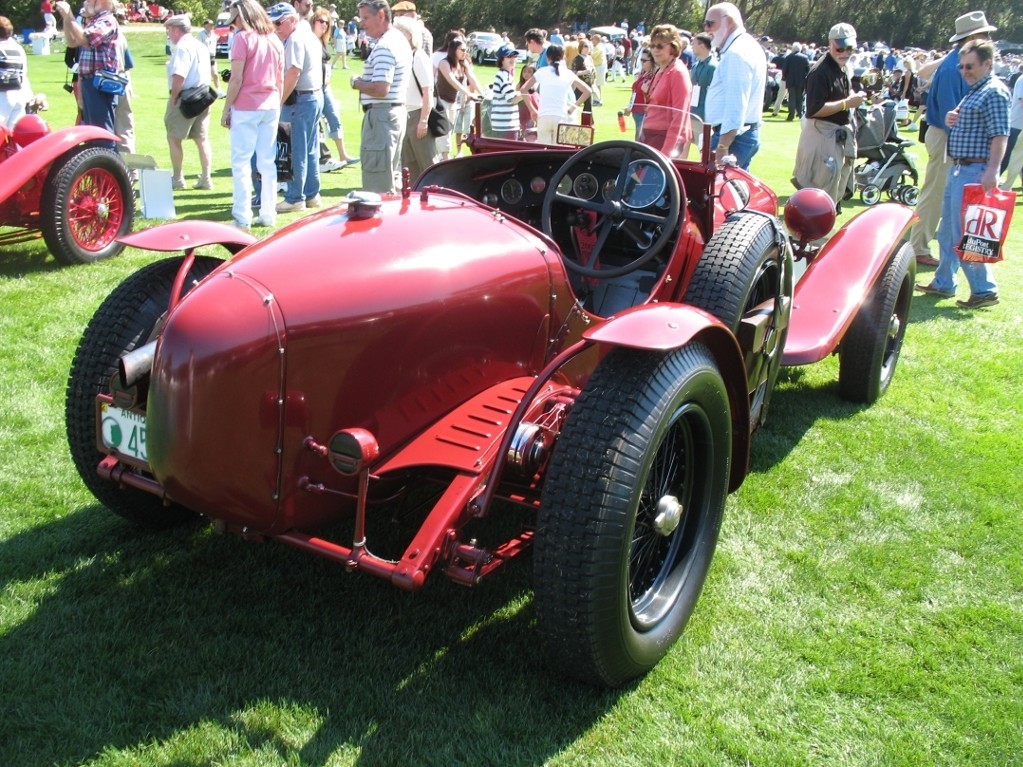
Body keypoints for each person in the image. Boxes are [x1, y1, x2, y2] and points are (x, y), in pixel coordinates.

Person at [917, 39, 1009, 309]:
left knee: (967, 233)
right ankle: (944, 281)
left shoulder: (994, 92)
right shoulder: (975, 90)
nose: (964, 71)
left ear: (987, 64)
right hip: (960, 168)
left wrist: (992, 170)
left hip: (975, 170)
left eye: (970, 66)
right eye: (961, 66)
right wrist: (951, 119)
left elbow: (999, 134)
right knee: (947, 231)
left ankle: (984, 289)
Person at [910, 11, 996, 267]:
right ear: (972, 37)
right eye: (984, 34)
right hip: (947, 137)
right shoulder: (952, 68)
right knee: (936, 194)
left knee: (942, 194)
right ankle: (919, 246)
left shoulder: (954, 62)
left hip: (948, 136)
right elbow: (952, 115)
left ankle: (923, 244)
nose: (989, 39)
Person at [220, 0, 284, 229]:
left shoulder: (242, 39)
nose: (234, 24)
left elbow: (236, 79)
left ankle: (242, 215)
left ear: (242, 17)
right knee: (267, 162)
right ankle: (268, 213)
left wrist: (227, 108)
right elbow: (280, 78)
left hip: (247, 106)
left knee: (241, 162)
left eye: (235, 19)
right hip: (270, 105)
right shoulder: (274, 40)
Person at [791, 23, 867, 206]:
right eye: (840, 48)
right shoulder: (820, 71)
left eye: (850, 48)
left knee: (833, 194)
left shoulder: (841, 68)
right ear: (830, 43)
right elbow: (814, 110)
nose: (845, 52)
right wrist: (846, 103)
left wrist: (853, 99)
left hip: (835, 137)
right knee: (819, 197)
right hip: (822, 137)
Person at [351, 0, 411, 194]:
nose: (362, 23)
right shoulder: (399, 40)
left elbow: (381, 88)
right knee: (391, 177)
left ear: (382, 16)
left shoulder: (385, 46)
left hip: (381, 117)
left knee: (377, 185)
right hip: (392, 114)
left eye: (366, 18)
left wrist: (357, 83)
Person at [270, 2, 323, 213]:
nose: (275, 27)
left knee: (294, 150)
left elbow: (293, 72)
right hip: (313, 96)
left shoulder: (294, 39)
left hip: (299, 99)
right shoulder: (308, 33)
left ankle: (295, 198)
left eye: (278, 23)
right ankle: (311, 194)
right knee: (310, 149)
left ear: (291, 20)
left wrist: (279, 100)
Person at [702, 2, 766, 169]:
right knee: (737, 192)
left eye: (710, 23)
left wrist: (722, 147)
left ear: (728, 21)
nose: (707, 29)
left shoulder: (736, 53)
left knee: (720, 193)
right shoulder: (745, 46)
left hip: (733, 139)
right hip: (738, 135)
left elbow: (736, 106)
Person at [55, 0, 120, 143]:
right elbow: (72, 42)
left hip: (100, 82)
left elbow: (83, 38)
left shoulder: (107, 20)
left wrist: (69, 15)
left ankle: (109, 164)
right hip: (89, 82)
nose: (85, 2)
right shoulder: (94, 22)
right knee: (92, 133)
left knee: (102, 134)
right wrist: (67, 18)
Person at [163, 15, 213, 191]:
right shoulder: (200, 45)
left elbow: (179, 75)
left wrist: (173, 97)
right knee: (202, 138)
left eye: (169, 30)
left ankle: (178, 178)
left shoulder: (182, 47)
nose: (168, 34)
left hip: (186, 97)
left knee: (173, 137)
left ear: (176, 29)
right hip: (204, 96)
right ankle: (206, 177)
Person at [517, 44, 591, 145]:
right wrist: (573, 107)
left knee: (543, 151)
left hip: (544, 117)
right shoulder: (568, 73)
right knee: (559, 151)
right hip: (562, 117)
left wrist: (532, 110)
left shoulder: (541, 72)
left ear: (547, 57)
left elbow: (523, 89)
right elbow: (587, 91)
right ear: (563, 57)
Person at [311, 7, 356, 171]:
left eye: (327, 23)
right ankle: (320, 158)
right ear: (313, 22)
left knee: (334, 117)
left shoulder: (322, 41)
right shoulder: (309, 40)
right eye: (321, 21)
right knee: (316, 124)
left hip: (324, 86)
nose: (324, 25)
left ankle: (343, 154)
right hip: (314, 88)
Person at [638, 24, 692, 158]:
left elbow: (679, 116)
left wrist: (666, 154)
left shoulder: (677, 73)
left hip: (664, 140)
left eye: (660, 46)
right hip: (650, 137)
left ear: (673, 47)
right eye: (652, 46)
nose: (655, 50)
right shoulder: (662, 69)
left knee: (647, 178)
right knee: (636, 176)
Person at [393, 14, 434, 180]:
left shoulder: (418, 57)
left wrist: (423, 121)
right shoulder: (404, 55)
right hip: (405, 114)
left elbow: (428, 91)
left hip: (418, 114)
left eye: (398, 31)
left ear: (408, 34)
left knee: (427, 162)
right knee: (408, 165)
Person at [435, 37, 481, 159]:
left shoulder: (463, 64)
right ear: (454, 50)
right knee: (443, 130)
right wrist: (469, 93)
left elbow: (472, 78)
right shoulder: (444, 63)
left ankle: (442, 156)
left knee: (449, 130)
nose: (465, 52)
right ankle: (445, 158)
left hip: (453, 102)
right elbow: (452, 80)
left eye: (466, 50)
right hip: (440, 102)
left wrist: (482, 93)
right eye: (462, 50)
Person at [0, 16, 33, 128]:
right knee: (14, 138)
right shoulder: (18, 48)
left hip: (2, 95)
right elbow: (23, 74)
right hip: (19, 95)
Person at [489, 44, 522, 140]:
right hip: (505, 125)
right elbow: (511, 99)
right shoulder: (503, 75)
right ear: (501, 60)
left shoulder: (506, 75)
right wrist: (528, 95)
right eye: (509, 57)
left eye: (514, 56)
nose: (512, 59)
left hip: (504, 124)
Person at [689, 32, 715, 143]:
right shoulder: (695, 66)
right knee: (685, 142)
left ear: (702, 45)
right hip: (692, 111)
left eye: (693, 43)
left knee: (704, 148)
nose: (692, 46)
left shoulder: (713, 67)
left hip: (706, 116)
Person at [624, 48, 653, 139]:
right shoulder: (643, 73)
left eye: (644, 60)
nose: (641, 62)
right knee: (638, 138)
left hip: (644, 113)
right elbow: (635, 91)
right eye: (641, 59)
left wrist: (647, 91)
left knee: (641, 140)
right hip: (636, 111)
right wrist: (630, 106)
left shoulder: (653, 76)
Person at [1002, 74, 1023, 190]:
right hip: (1017, 126)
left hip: (1019, 126)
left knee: (1017, 160)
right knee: (1006, 159)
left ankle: (1004, 189)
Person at [781, 42, 810, 121]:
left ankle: (791, 115)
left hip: (790, 80)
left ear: (793, 49)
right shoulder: (805, 58)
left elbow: (784, 69)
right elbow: (808, 70)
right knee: (799, 98)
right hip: (801, 80)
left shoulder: (789, 57)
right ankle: (800, 114)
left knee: (792, 98)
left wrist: (786, 76)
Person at [197, 19, 223, 93]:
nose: (212, 26)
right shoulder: (201, 34)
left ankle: (219, 91)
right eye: (210, 25)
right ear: (205, 25)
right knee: (204, 75)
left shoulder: (213, 34)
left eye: (212, 25)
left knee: (215, 74)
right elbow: (198, 45)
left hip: (212, 56)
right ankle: (203, 91)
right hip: (204, 56)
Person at [570, 38, 595, 115]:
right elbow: (573, 72)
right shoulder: (577, 59)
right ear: (581, 47)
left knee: (588, 106)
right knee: (574, 103)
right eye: (586, 46)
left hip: (589, 85)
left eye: (589, 46)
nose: (588, 48)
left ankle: (588, 124)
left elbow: (593, 69)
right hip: (579, 86)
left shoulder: (589, 58)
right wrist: (584, 72)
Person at [516, 63, 539, 140]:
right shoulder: (519, 85)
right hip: (521, 111)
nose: (526, 74)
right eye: (524, 71)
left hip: (531, 112)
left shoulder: (535, 85)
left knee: (530, 129)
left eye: (529, 72)